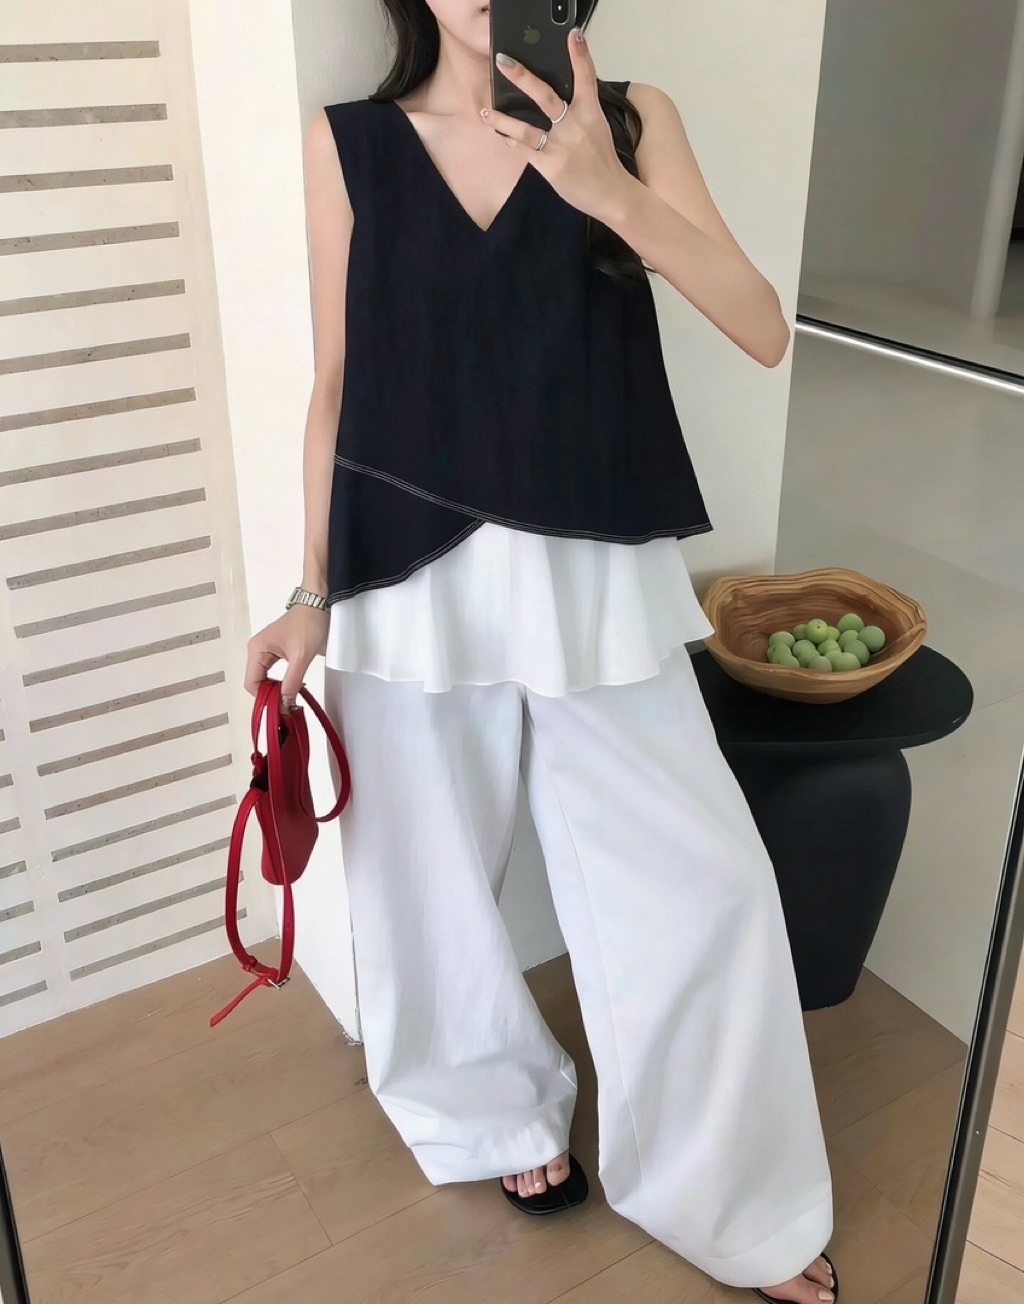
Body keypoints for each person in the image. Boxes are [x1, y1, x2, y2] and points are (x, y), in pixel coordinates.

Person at [244, 3, 838, 1301]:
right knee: (428, 879)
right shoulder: (349, 144)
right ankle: (492, 1112)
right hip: (407, 567)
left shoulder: (629, 118)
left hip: (595, 564)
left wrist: (605, 188)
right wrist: (309, 594)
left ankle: (730, 1196)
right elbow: (337, 382)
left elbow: (761, 326)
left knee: (703, 883)